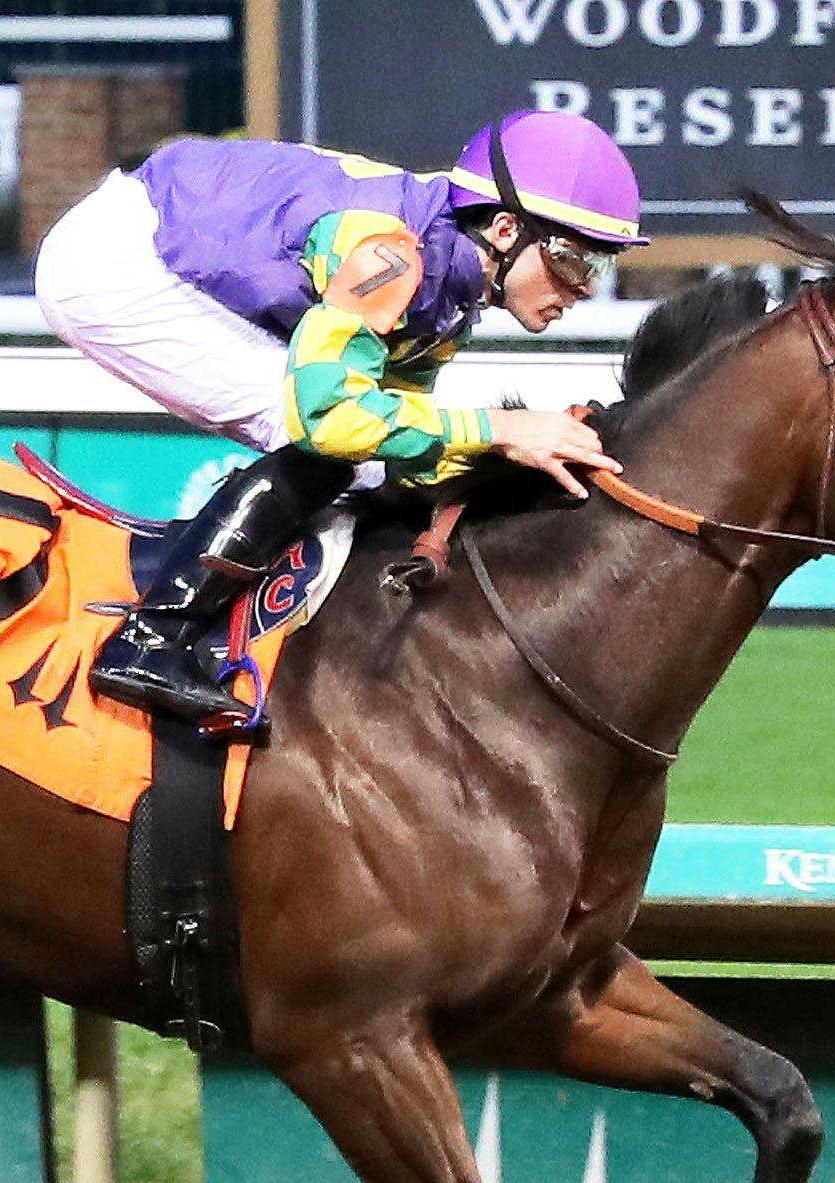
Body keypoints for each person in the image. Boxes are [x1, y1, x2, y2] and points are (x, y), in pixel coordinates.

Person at [33, 109, 642, 732]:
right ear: (506, 229)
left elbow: (401, 439)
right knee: (318, 431)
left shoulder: (451, 292)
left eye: (600, 266)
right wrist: (500, 428)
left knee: (365, 453)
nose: (584, 288)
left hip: (159, 239)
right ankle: (150, 640)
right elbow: (331, 420)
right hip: (119, 262)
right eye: (572, 260)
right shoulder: (392, 255)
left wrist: (499, 453)